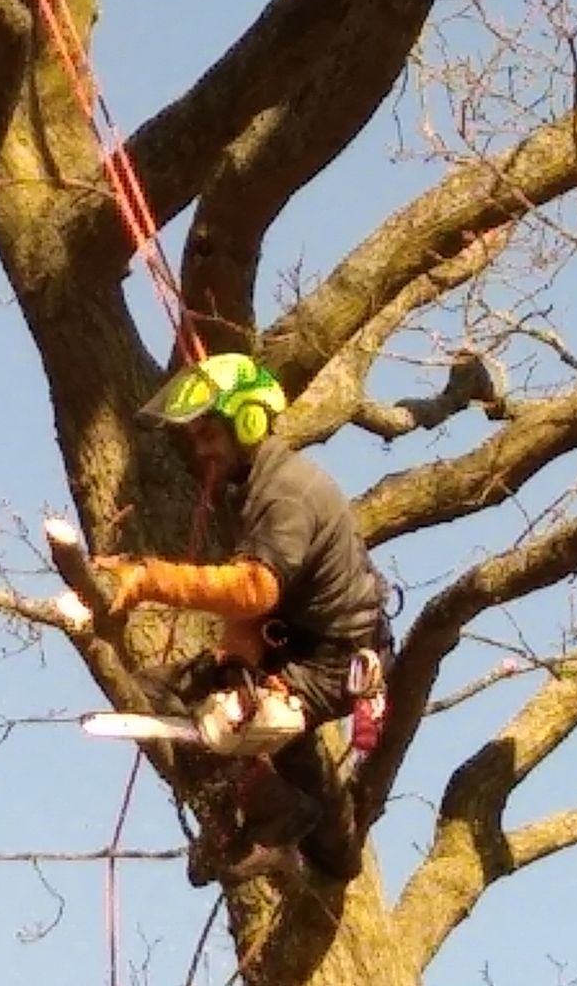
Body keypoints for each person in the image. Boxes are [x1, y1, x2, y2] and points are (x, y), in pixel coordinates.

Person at [80, 352, 392, 885]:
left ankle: (274, 819)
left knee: (223, 726)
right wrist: (233, 662)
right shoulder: (251, 487)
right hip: (294, 644)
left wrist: (150, 578)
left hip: (334, 664)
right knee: (161, 691)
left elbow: (253, 587)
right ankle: (274, 820)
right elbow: (257, 599)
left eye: (208, 435)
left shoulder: (286, 493)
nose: (201, 451)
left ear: (247, 420)